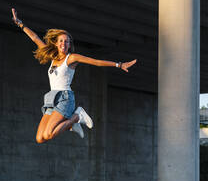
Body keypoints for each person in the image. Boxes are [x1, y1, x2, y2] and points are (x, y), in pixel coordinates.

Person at [11, 8, 136, 144]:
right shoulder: (52, 57)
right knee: (40, 138)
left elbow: (96, 62)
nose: (63, 44)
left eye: (66, 41)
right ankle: (72, 123)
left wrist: (119, 65)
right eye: (61, 41)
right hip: (51, 99)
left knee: (49, 134)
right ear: (56, 43)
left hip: (65, 98)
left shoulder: (71, 58)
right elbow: (35, 38)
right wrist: (20, 24)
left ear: (70, 45)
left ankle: (76, 117)